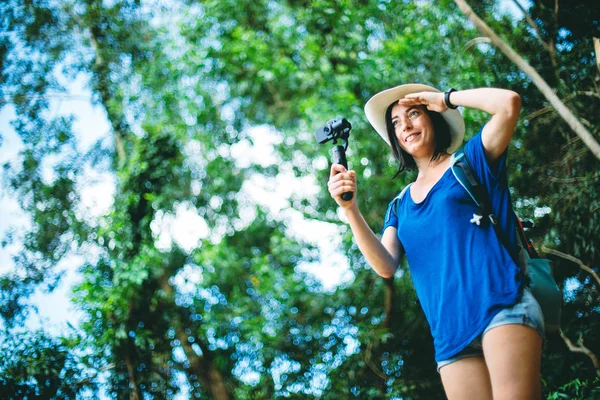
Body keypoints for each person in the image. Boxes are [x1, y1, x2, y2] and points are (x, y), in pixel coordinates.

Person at [327, 84, 544, 399]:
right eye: (396, 123)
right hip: (450, 336)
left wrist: (445, 99)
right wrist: (350, 209)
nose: (406, 126)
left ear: (433, 117)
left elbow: (508, 103)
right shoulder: (399, 205)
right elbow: (385, 266)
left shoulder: (470, 162)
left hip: (502, 305)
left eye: (413, 113)